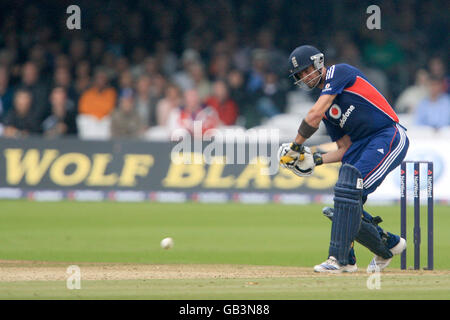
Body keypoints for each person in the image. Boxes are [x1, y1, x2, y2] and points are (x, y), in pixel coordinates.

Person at [279, 45, 409, 273]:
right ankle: (380, 246)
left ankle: (338, 260)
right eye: (299, 75)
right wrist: (315, 160)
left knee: (347, 194)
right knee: (345, 195)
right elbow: (344, 149)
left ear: (319, 62)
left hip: (388, 135)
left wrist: (296, 146)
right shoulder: (329, 110)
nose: (305, 77)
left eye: (307, 70)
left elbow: (314, 115)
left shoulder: (339, 72)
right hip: (361, 146)